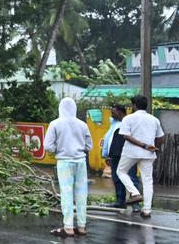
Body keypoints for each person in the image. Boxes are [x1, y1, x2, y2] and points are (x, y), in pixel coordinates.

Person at [44, 97, 94, 236]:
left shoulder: (55, 124)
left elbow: (48, 146)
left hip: (64, 162)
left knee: (66, 193)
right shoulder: (83, 124)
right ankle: (82, 227)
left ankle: (68, 227)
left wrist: (58, 149)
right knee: (81, 193)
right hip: (80, 162)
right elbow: (89, 145)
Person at [116, 94, 165, 219]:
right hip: (148, 154)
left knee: (121, 171)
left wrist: (143, 145)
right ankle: (147, 210)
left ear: (134, 106)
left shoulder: (128, 118)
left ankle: (135, 192)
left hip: (131, 152)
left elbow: (126, 136)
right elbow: (161, 137)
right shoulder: (154, 119)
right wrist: (155, 147)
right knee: (148, 181)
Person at [101, 104, 138, 208]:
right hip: (115, 156)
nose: (111, 115)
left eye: (113, 112)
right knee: (117, 178)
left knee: (131, 178)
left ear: (120, 112)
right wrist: (108, 155)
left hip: (128, 155)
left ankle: (135, 203)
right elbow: (110, 140)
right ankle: (120, 201)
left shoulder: (128, 122)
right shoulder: (114, 124)